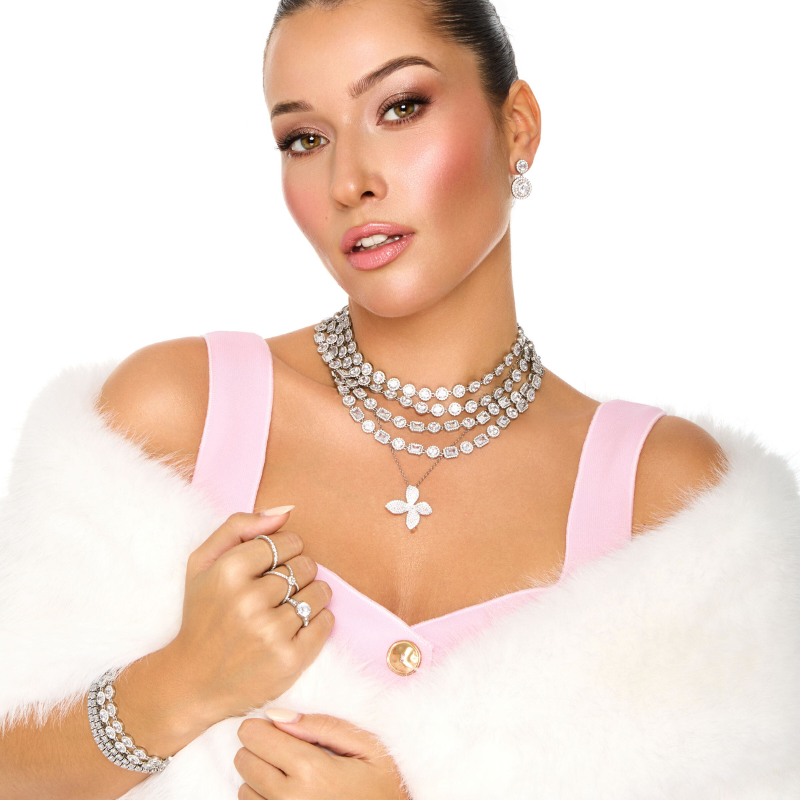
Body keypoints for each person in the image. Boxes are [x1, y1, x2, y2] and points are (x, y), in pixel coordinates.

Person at [1, 1, 798, 799]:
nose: (350, 182)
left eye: (401, 107)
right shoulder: (173, 420)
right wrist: (176, 686)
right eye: (304, 138)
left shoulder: (673, 502)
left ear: (517, 126)